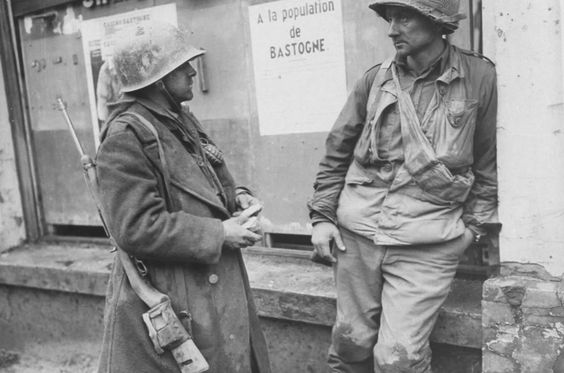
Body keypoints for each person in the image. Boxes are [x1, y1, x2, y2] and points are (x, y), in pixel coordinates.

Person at [308, 0, 497, 372]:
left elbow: (489, 162)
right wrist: (322, 218)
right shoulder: (374, 79)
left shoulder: (478, 77)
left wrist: (472, 232)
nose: (392, 29)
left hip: (427, 243)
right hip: (358, 236)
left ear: (436, 22)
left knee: (399, 360)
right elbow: (337, 151)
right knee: (349, 345)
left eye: (404, 17)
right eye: (390, 18)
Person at [95, 21, 271, 373]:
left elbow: (210, 180)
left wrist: (237, 197)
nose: (192, 71)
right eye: (181, 66)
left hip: (212, 289)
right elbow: (135, 226)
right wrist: (220, 233)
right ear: (158, 80)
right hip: (176, 294)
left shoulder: (179, 119)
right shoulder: (126, 135)